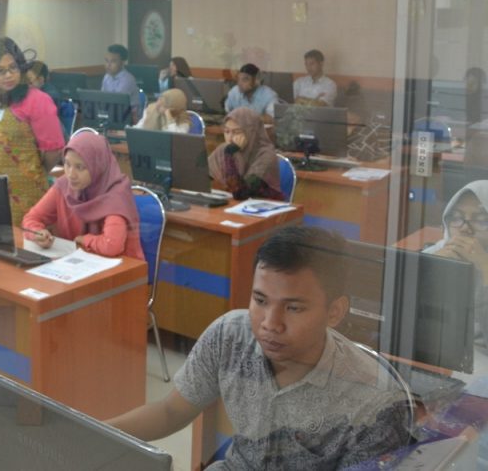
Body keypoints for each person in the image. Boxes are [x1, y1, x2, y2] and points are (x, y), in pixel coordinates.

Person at [109, 225, 410, 469]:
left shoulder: (373, 404)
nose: (270, 323)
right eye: (261, 301)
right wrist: (85, 432)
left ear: (335, 311)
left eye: (293, 308)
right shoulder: (230, 336)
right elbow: (170, 411)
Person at [0, 37, 65, 226]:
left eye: (13, 68)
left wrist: (33, 171)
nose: (8, 75)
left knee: (28, 248)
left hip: (28, 193)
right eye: (0, 70)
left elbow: (54, 149)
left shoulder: (37, 100)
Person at [23, 132, 143, 259]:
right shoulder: (64, 185)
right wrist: (36, 233)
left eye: (80, 167)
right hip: (77, 265)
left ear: (97, 166)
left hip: (120, 270)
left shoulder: (114, 195)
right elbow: (31, 218)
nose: (71, 174)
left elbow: (112, 245)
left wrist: (84, 240)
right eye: (67, 164)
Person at [425, 181, 488, 349]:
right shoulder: (437, 252)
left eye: (481, 220)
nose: (465, 229)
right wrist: (429, 268)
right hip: (438, 350)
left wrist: (485, 267)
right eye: (457, 218)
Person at [208, 107, 284, 200]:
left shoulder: (266, 156)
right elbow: (200, 175)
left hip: (261, 208)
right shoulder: (224, 149)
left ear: (251, 132)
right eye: (227, 132)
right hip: (232, 207)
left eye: (236, 132)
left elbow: (240, 193)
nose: (230, 138)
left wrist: (229, 155)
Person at [101, 44, 141, 122]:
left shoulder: (128, 79)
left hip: (128, 118)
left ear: (122, 62)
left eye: (113, 61)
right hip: (112, 116)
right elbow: (103, 99)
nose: (108, 65)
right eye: (106, 61)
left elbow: (116, 103)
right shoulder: (106, 77)